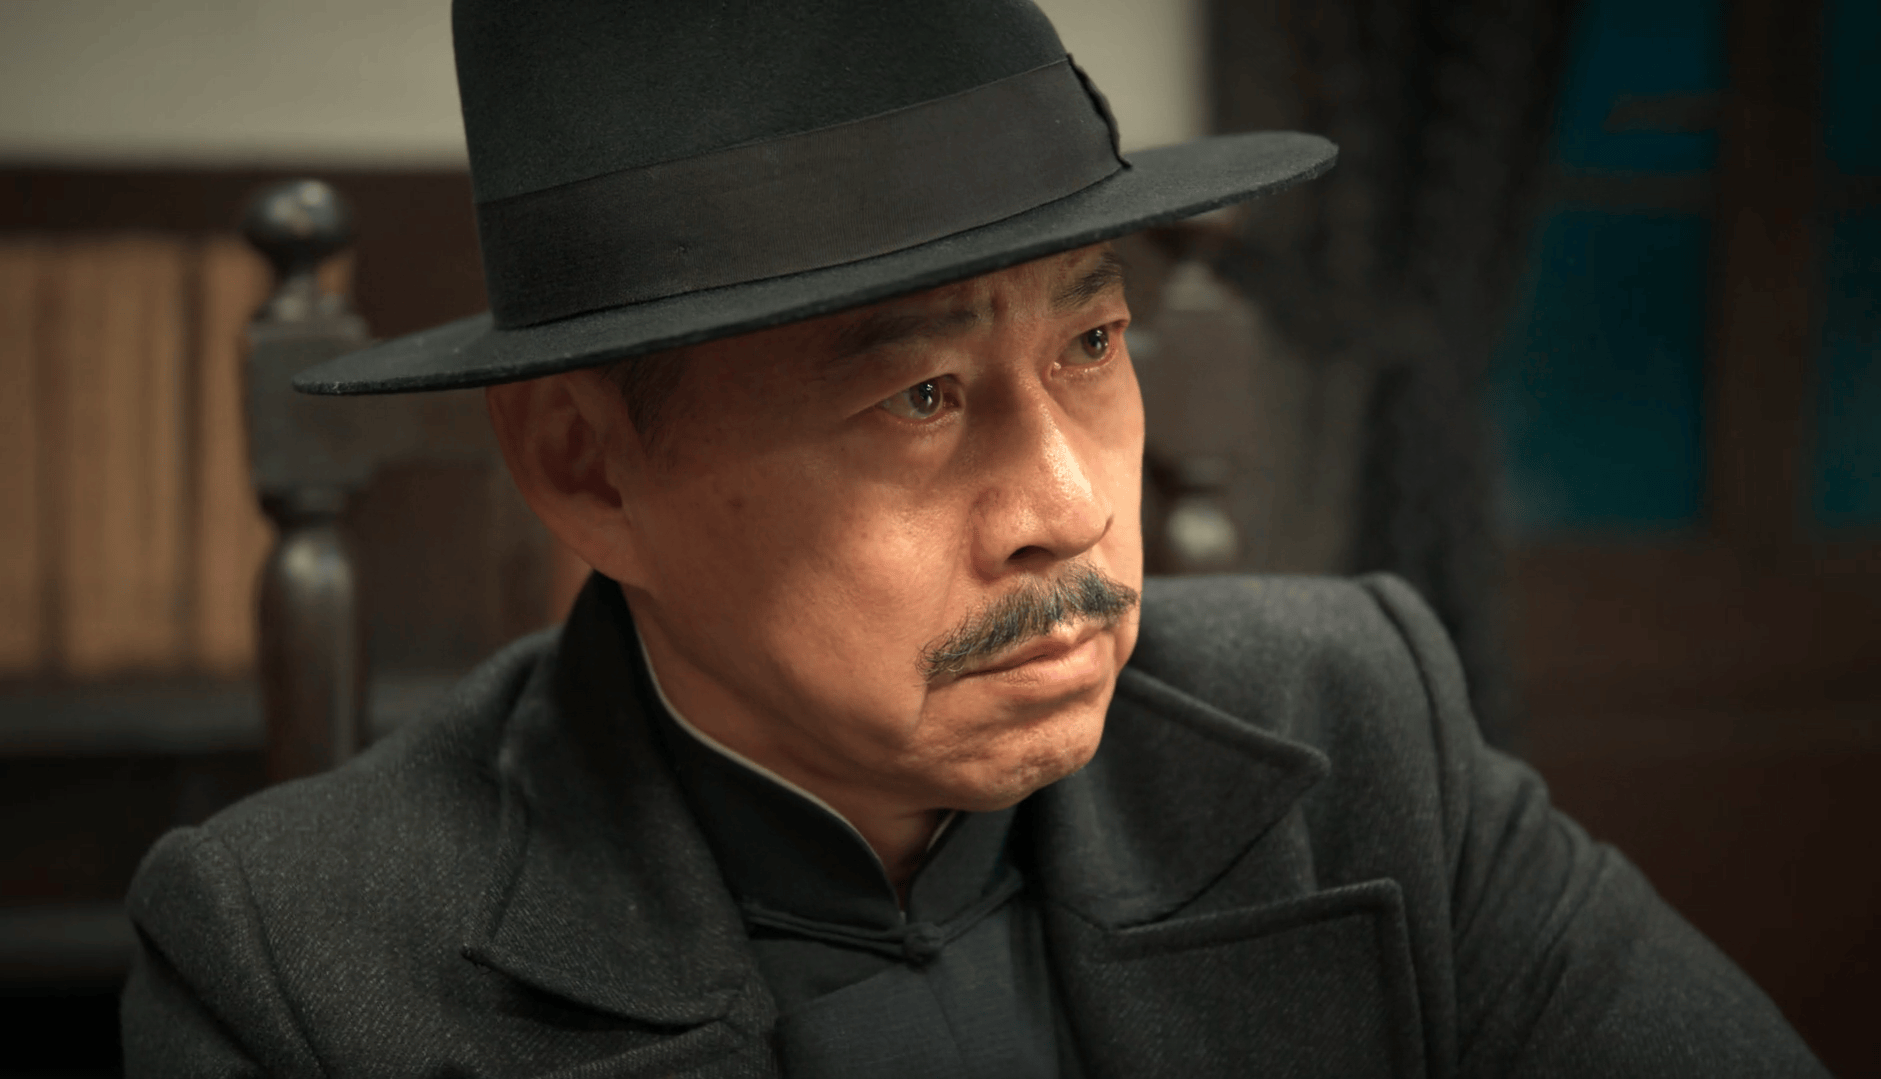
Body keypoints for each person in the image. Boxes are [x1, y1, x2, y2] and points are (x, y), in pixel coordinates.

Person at [121, 1, 1827, 1075]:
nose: (1070, 506)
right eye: (922, 397)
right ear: (590, 471)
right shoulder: (295, 962)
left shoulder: (1364, 726)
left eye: (1092, 342)